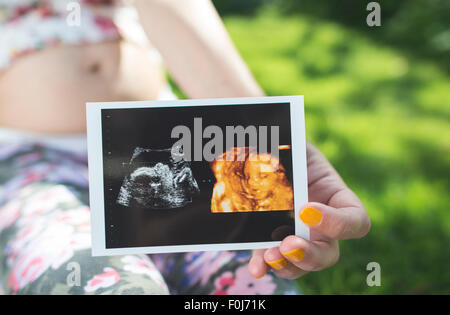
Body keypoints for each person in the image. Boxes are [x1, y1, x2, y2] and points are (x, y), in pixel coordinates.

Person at [0, 0, 369, 294]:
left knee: (257, 283)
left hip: (166, 152)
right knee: (102, 285)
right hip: (33, 162)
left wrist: (263, 141)